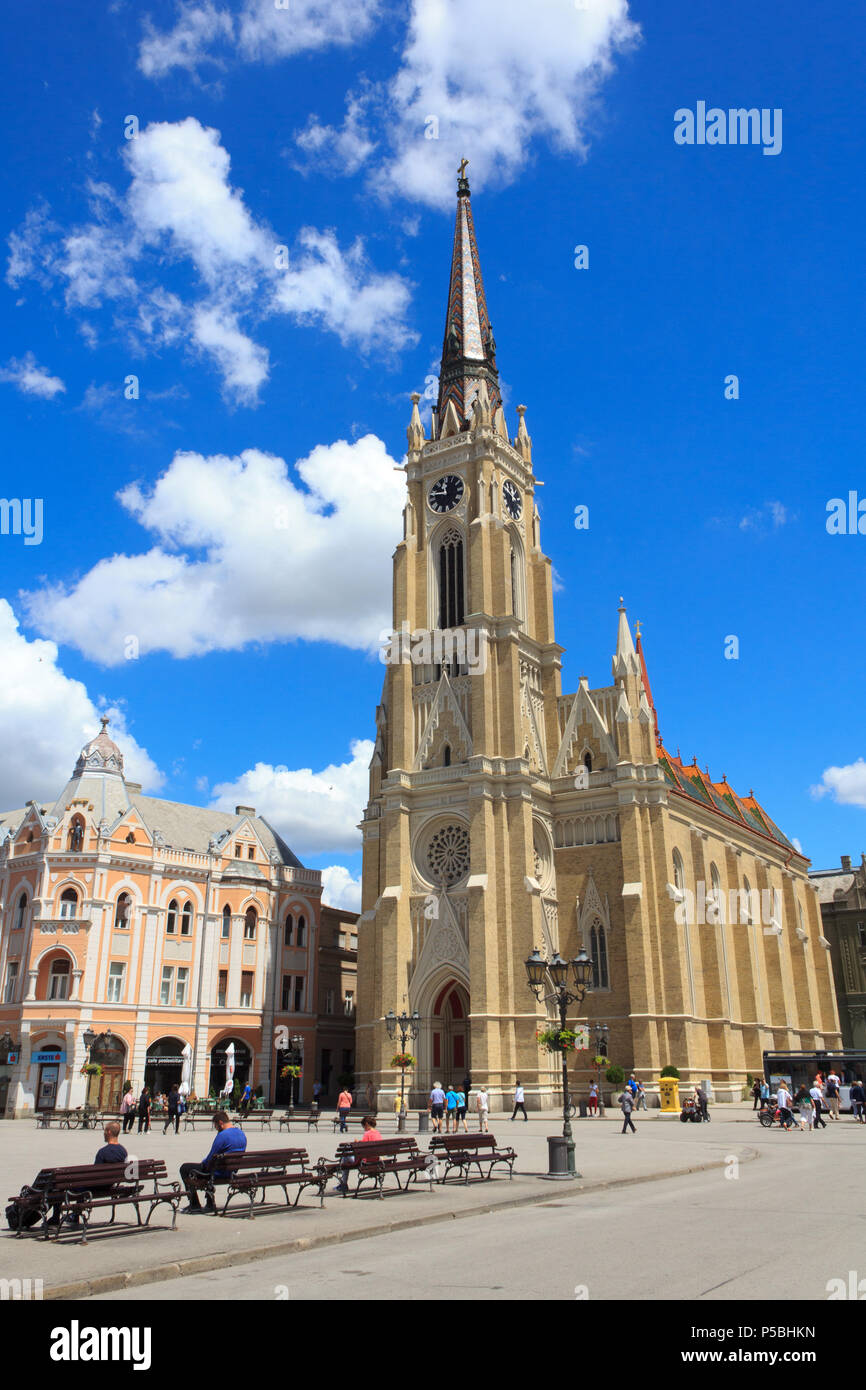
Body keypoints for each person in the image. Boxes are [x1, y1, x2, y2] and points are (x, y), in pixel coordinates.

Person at [52, 1122, 130, 1227]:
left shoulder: (103, 1152)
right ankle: (75, 1215)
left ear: (109, 1132)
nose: (104, 1134)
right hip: (108, 1185)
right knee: (80, 1184)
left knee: (60, 1187)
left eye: (105, 1131)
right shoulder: (123, 1151)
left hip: (96, 1187)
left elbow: (95, 1173)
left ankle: (55, 1218)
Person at [179, 1111, 247, 1213]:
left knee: (185, 1168)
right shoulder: (241, 1134)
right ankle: (209, 1203)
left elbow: (211, 1158)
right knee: (210, 1169)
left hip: (217, 1172)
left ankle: (194, 1204)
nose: (216, 1129)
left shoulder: (223, 1135)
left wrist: (203, 1163)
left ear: (220, 1123)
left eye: (215, 1126)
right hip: (231, 1172)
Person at [333, 1115, 382, 1193]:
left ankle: (343, 1183)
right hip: (375, 1160)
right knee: (346, 1157)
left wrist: (356, 1144)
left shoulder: (367, 1134)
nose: (364, 1129)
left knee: (345, 1155)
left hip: (366, 1161)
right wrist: (359, 1142)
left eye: (363, 1127)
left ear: (366, 1124)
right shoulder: (378, 1133)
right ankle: (342, 1175)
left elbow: (362, 1149)